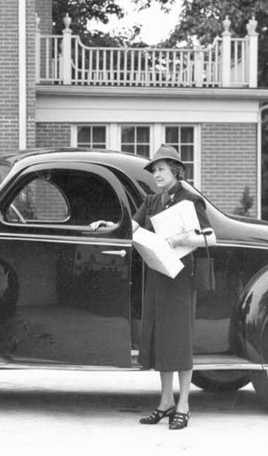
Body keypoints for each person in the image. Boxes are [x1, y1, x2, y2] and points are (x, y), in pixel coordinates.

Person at [90, 144, 211, 430]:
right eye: (154, 170)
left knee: (180, 340)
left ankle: (184, 405)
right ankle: (166, 401)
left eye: (161, 169)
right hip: (158, 274)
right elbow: (132, 227)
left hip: (181, 277)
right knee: (160, 339)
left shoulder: (191, 200)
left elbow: (210, 237)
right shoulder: (152, 201)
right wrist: (109, 224)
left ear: (176, 171)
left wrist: (184, 240)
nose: (156, 174)